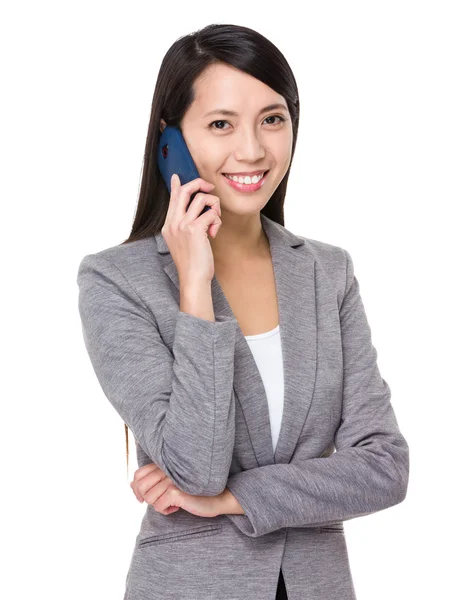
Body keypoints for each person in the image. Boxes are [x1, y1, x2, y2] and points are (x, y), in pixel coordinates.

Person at [77, 23, 410, 600]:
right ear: (170, 143)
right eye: (220, 124)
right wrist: (195, 284)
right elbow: (195, 468)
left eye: (272, 119)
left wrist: (234, 497)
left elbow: (384, 468)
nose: (253, 149)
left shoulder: (328, 273)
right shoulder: (115, 281)